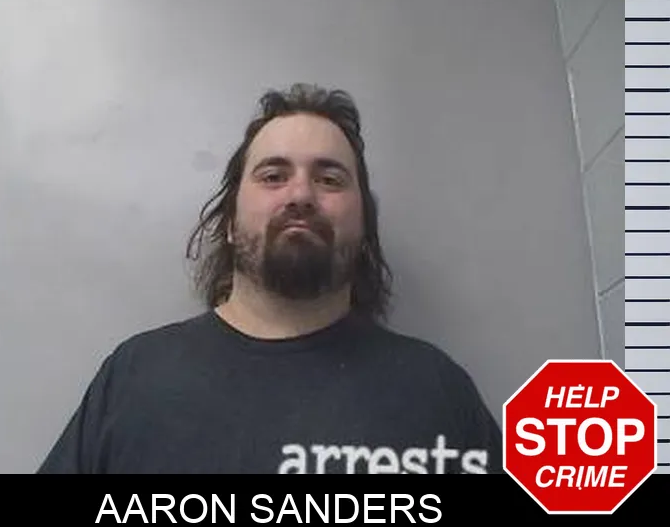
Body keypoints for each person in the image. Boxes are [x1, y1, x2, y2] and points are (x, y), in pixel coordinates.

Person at [37, 83, 503, 474]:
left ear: (364, 227)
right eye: (273, 175)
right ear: (229, 223)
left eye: (330, 179)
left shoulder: (436, 390)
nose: (300, 195)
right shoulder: (134, 376)